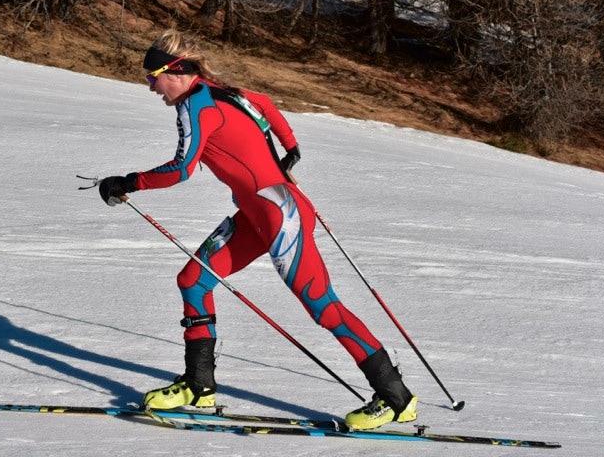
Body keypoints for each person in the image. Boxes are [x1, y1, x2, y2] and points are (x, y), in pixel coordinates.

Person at [96, 29, 417, 430]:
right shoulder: (223, 91)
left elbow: (181, 169)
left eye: (151, 78)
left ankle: (395, 398)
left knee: (323, 305)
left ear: (173, 72)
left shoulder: (195, 107)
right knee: (193, 280)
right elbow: (264, 103)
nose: (150, 88)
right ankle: (199, 387)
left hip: (282, 217)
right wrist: (290, 147)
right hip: (257, 215)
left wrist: (128, 182)